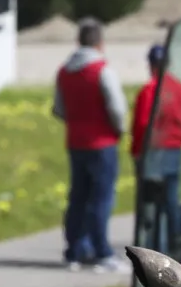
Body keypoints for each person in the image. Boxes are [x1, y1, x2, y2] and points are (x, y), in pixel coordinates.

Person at [52, 17, 130, 273]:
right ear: (100, 43)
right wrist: (119, 128)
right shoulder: (102, 70)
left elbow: (59, 108)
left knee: (78, 196)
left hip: (76, 140)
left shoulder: (64, 71)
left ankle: (74, 250)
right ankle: (102, 252)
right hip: (102, 140)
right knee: (101, 198)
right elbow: (116, 108)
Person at [131, 43, 181, 256]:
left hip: (153, 152)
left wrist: (137, 152)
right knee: (171, 200)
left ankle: (152, 250)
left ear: (151, 64)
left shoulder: (150, 90)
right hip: (175, 149)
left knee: (150, 206)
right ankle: (175, 246)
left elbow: (142, 125)